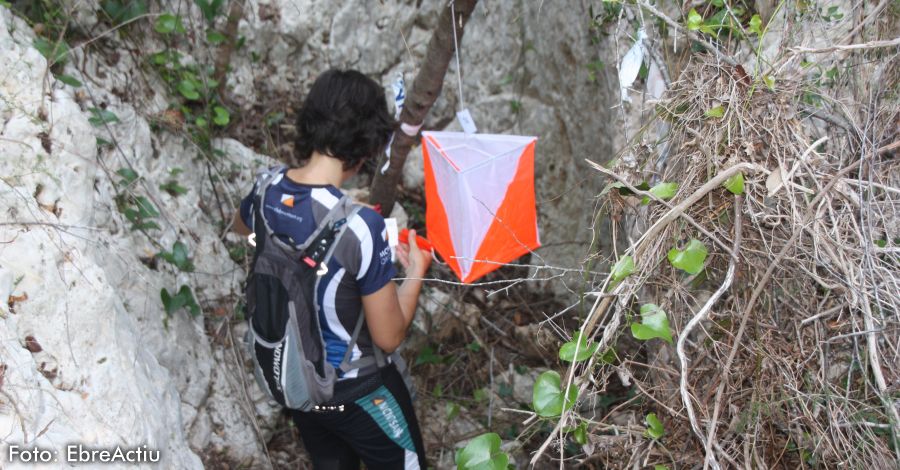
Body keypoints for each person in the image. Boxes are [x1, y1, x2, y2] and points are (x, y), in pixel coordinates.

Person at [231, 69, 431, 470]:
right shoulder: (361, 227)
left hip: (300, 384)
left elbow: (242, 228)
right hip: (360, 392)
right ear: (367, 144)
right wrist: (415, 273)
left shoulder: (266, 187)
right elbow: (389, 336)